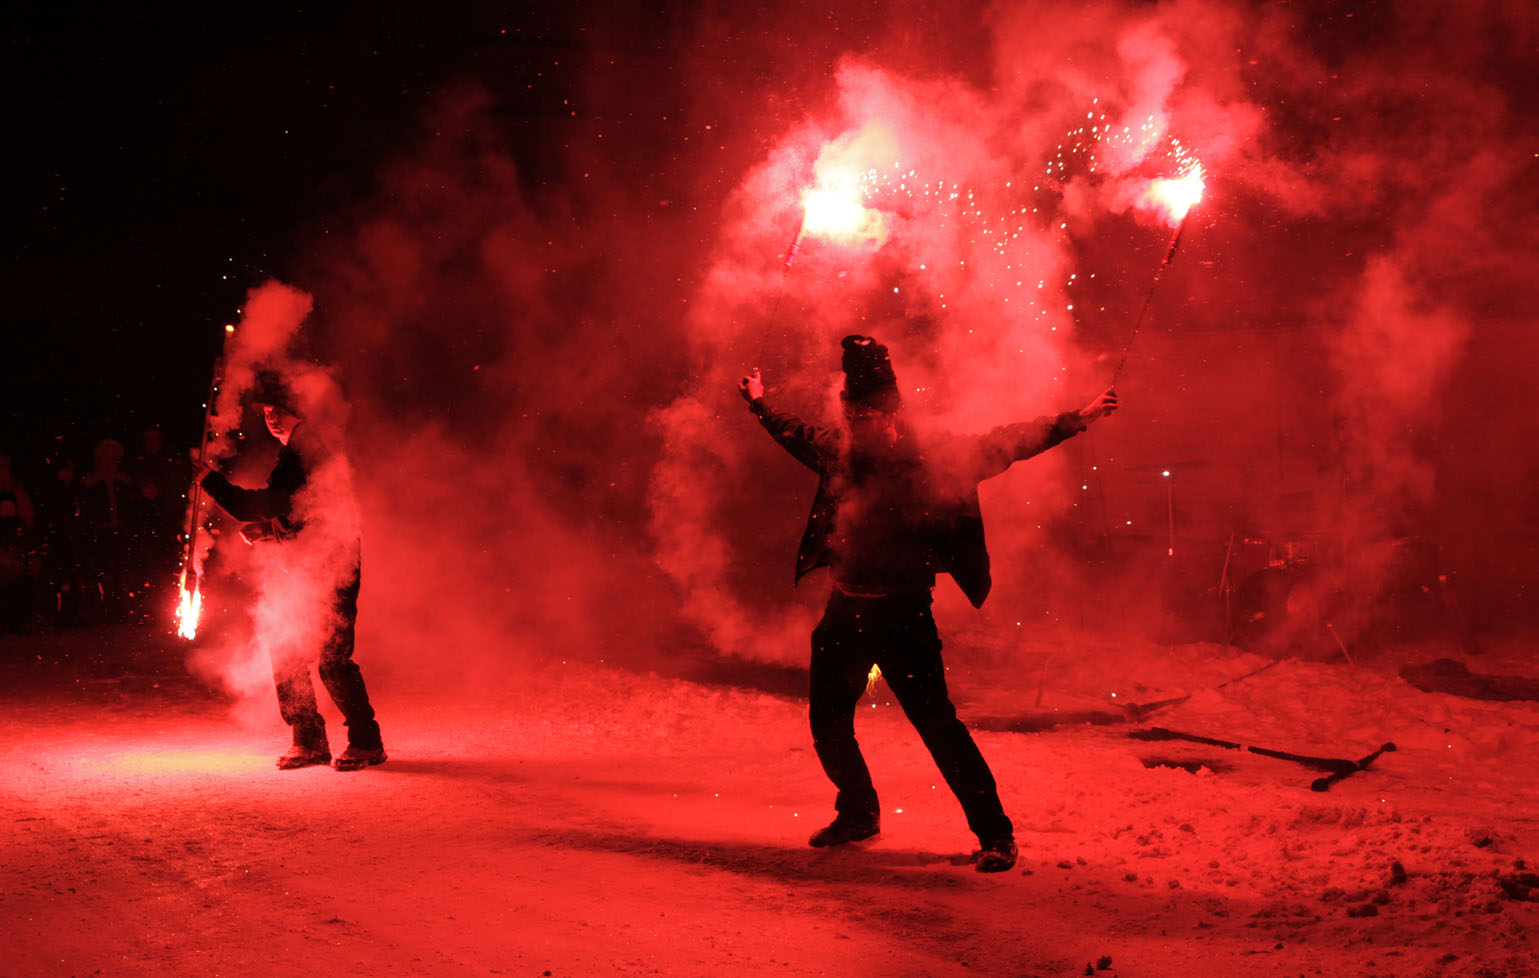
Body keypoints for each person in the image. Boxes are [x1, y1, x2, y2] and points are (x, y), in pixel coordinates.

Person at [738, 334, 1117, 873]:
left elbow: (1010, 440)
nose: (860, 429)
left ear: (893, 417)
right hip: (845, 610)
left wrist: (1074, 419)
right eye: (854, 419)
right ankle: (859, 811)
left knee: (938, 726)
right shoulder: (837, 450)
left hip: (904, 616)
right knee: (827, 719)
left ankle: (996, 835)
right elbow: (792, 432)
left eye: (869, 419)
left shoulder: (936, 459)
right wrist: (758, 402)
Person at [195, 371, 386, 771]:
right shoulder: (298, 452)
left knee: (332, 657)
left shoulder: (306, 451)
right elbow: (303, 511)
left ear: (300, 414)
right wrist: (272, 531)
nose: (272, 419)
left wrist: (211, 482)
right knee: (287, 649)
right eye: (267, 413)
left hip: (331, 567)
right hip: (304, 567)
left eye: (280, 412)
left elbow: (264, 504)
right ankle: (308, 740)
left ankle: (366, 742)